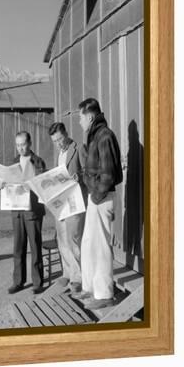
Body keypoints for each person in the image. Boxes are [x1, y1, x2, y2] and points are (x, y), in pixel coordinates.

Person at [77, 98, 123, 310]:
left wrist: (96, 195)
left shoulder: (104, 136)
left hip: (101, 198)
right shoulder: (95, 135)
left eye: (80, 117)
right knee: (88, 244)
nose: (79, 122)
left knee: (101, 247)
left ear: (90, 117)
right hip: (95, 197)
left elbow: (110, 175)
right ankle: (89, 287)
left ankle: (104, 294)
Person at [48, 122, 87, 294]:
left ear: (66, 134)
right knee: (62, 240)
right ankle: (68, 272)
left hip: (75, 201)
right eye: (55, 141)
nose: (58, 144)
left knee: (74, 240)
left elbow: (89, 170)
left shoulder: (78, 148)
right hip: (61, 202)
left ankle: (79, 278)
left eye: (60, 139)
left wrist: (80, 175)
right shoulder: (59, 154)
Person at [7, 131, 47, 295]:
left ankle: (37, 282)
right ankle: (18, 281)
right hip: (17, 210)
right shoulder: (13, 162)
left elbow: (44, 185)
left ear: (30, 144)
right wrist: (4, 184)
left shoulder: (38, 162)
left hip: (32, 210)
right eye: (17, 145)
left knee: (35, 246)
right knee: (18, 247)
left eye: (23, 144)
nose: (20, 148)